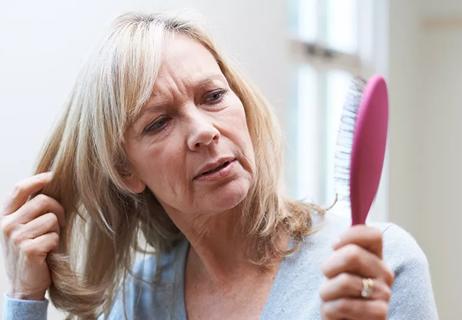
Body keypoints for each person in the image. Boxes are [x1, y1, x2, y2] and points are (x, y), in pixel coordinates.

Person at [1, 12, 438, 320]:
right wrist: (24, 297)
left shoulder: (380, 265)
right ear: (125, 171)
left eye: (213, 96)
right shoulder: (139, 302)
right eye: (159, 122)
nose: (204, 131)